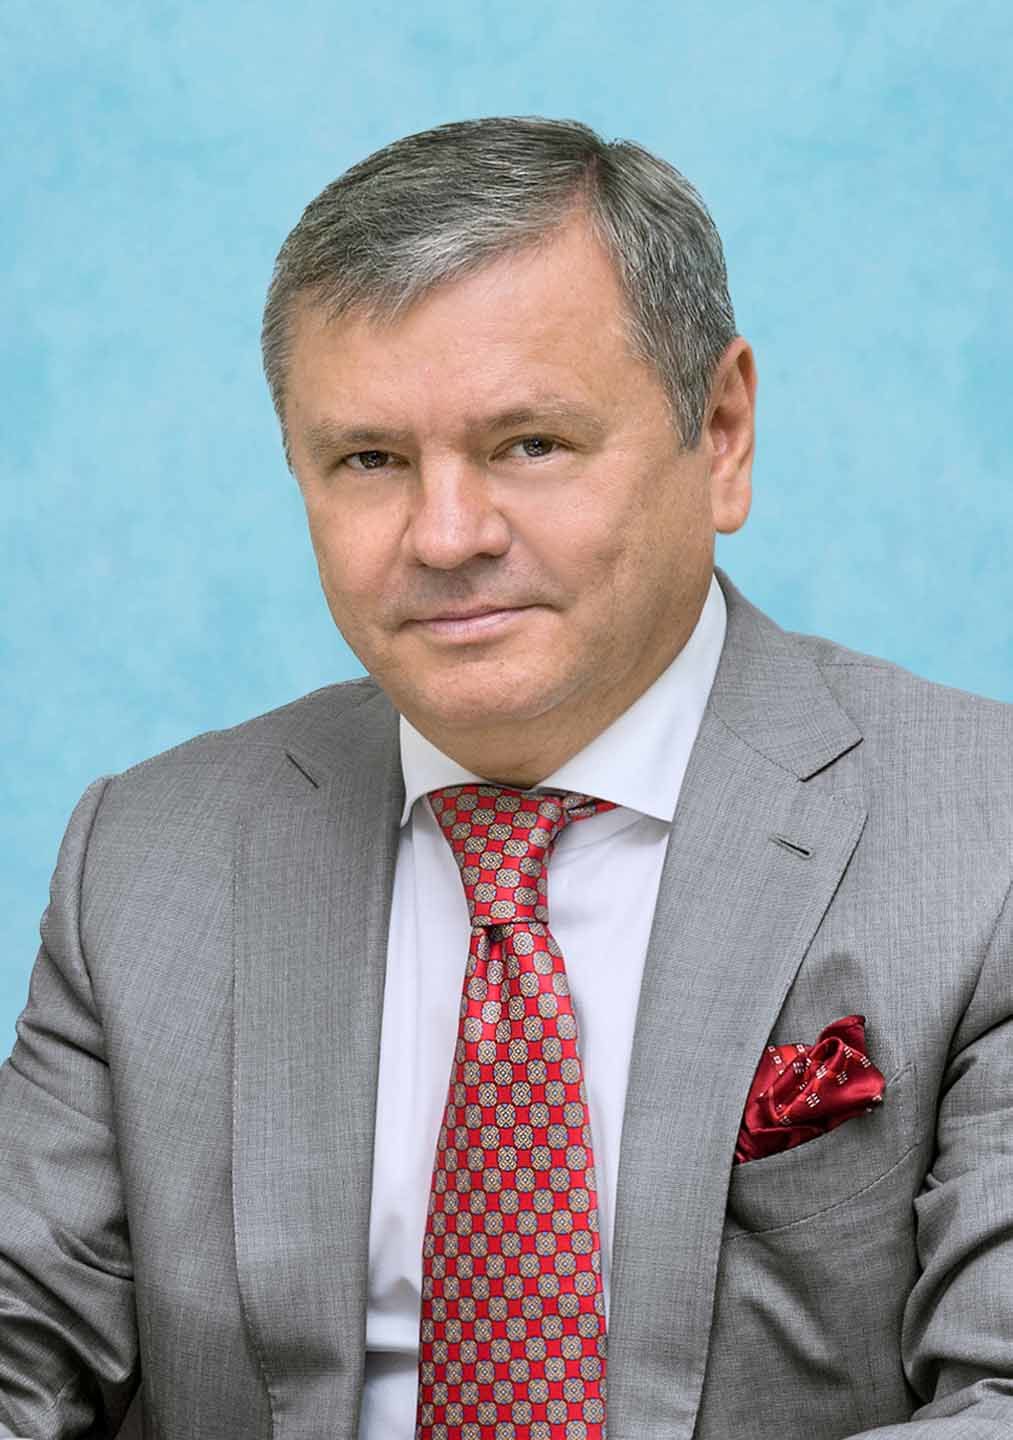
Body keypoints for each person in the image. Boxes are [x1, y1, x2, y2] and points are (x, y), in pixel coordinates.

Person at [1, 115, 1010, 1440]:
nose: (445, 535)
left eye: (529, 444)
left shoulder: (983, 835)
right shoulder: (147, 855)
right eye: (369, 460)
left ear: (719, 433)